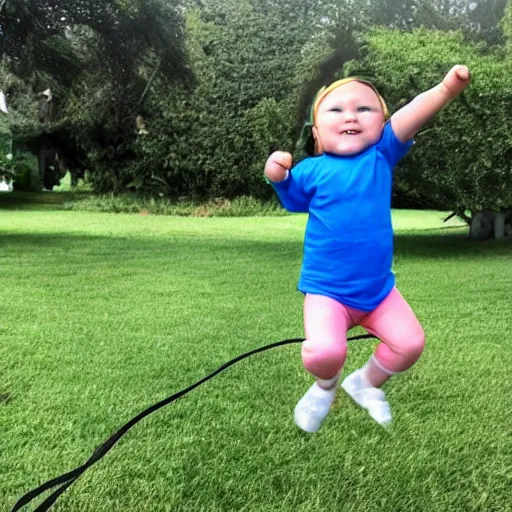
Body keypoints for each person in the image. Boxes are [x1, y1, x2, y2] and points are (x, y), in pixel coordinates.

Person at [264, 66, 470, 433]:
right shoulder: (312, 169)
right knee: (324, 353)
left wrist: (445, 89)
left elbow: (412, 113)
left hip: (379, 293)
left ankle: (365, 382)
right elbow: (292, 198)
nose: (350, 116)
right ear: (317, 133)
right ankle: (325, 387)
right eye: (337, 110)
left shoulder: (380, 155)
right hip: (328, 292)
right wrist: (276, 174)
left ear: (381, 126)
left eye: (364, 109)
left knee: (409, 344)